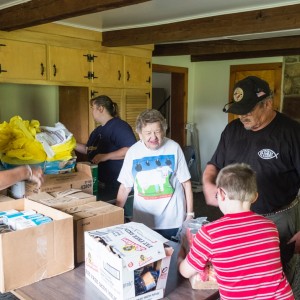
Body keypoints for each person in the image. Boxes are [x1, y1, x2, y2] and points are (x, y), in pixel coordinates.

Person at [202, 75, 300, 297]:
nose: (241, 115)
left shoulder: (292, 132)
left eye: (248, 109)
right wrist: (208, 184)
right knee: (239, 273)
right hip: (236, 218)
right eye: (238, 109)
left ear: (268, 103)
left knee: (279, 275)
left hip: (278, 218)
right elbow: (213, 165)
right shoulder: (232, 130)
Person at [179, 163, 294, 300]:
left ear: (221, 193)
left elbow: (186, 272)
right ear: (255, 197)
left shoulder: (210, 233)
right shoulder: (270, 226)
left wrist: (180, 256)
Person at [115, 109, 194, 240]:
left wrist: (190, 214)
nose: (153, 137)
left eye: (157, 131)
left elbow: (186, 183)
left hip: (173, 220)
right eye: (148, 133)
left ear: (163, 130)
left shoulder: (174, 147)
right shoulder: (133, 152)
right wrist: (115, 215)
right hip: (143, 221)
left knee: (174, 258)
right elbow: (125, 187)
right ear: (140, 134)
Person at [76, 95, 136, 201]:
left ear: (101, 108)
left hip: (117, 186)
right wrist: (70, 144)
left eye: (92, 108)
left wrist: (105, 156)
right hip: (100, 185)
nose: (91, 111)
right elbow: (88, 149)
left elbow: (131, 150)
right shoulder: (98, 130)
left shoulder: (119, 126)